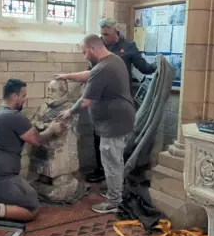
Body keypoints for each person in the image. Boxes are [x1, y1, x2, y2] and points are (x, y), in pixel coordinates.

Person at [62, 18, 157, 184]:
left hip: (116, 105)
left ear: (115, 31)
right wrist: (69, 76)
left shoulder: (127, 48)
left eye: (107, 34)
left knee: (113, 150)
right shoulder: (102, 49)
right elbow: (92, 73)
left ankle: (114, 189)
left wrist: (158, 65)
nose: (104, 37)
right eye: (102, 34)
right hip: (101, 105)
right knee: (101, 143)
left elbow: (145, 68)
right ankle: (105, 174)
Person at [57, 34, 136, 214]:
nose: (84, 56)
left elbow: (85, 101)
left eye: (84, 52)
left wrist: (69, 112)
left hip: (114, 124)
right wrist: (68, 76)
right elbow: (90, 74)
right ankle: (116, 192)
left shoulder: (105, 67)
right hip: (120, 120)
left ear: (92, 48)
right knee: (114, 160)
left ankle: (115, 202)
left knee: (111, 162)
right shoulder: (113, 60)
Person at [0, 79, 64, 222]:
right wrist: (52, 129)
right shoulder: (14, 116)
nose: (25, 99)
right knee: (32, 208)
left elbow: (26, 131)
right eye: (23, 96)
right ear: (14, 96)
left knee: (25, 192)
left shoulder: (0, 111)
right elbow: (37, 140)